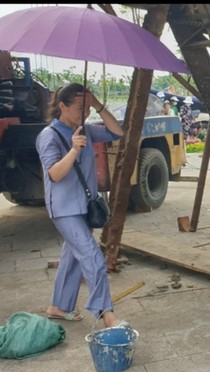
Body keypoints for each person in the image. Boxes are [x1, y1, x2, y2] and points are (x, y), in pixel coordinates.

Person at [35, 83, 125, 328]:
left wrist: (98, 104)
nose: (84, 112)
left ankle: (59, 306)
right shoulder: (49, 136)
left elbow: (118, 132)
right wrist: (74, 149)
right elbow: (54, 174)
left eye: (87, 107)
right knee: (93, 257)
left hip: (85, 206)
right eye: (79, 107)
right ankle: (106, 314)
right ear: (62, 106)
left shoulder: (86, 129)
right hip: (64, 210)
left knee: (72, 258)